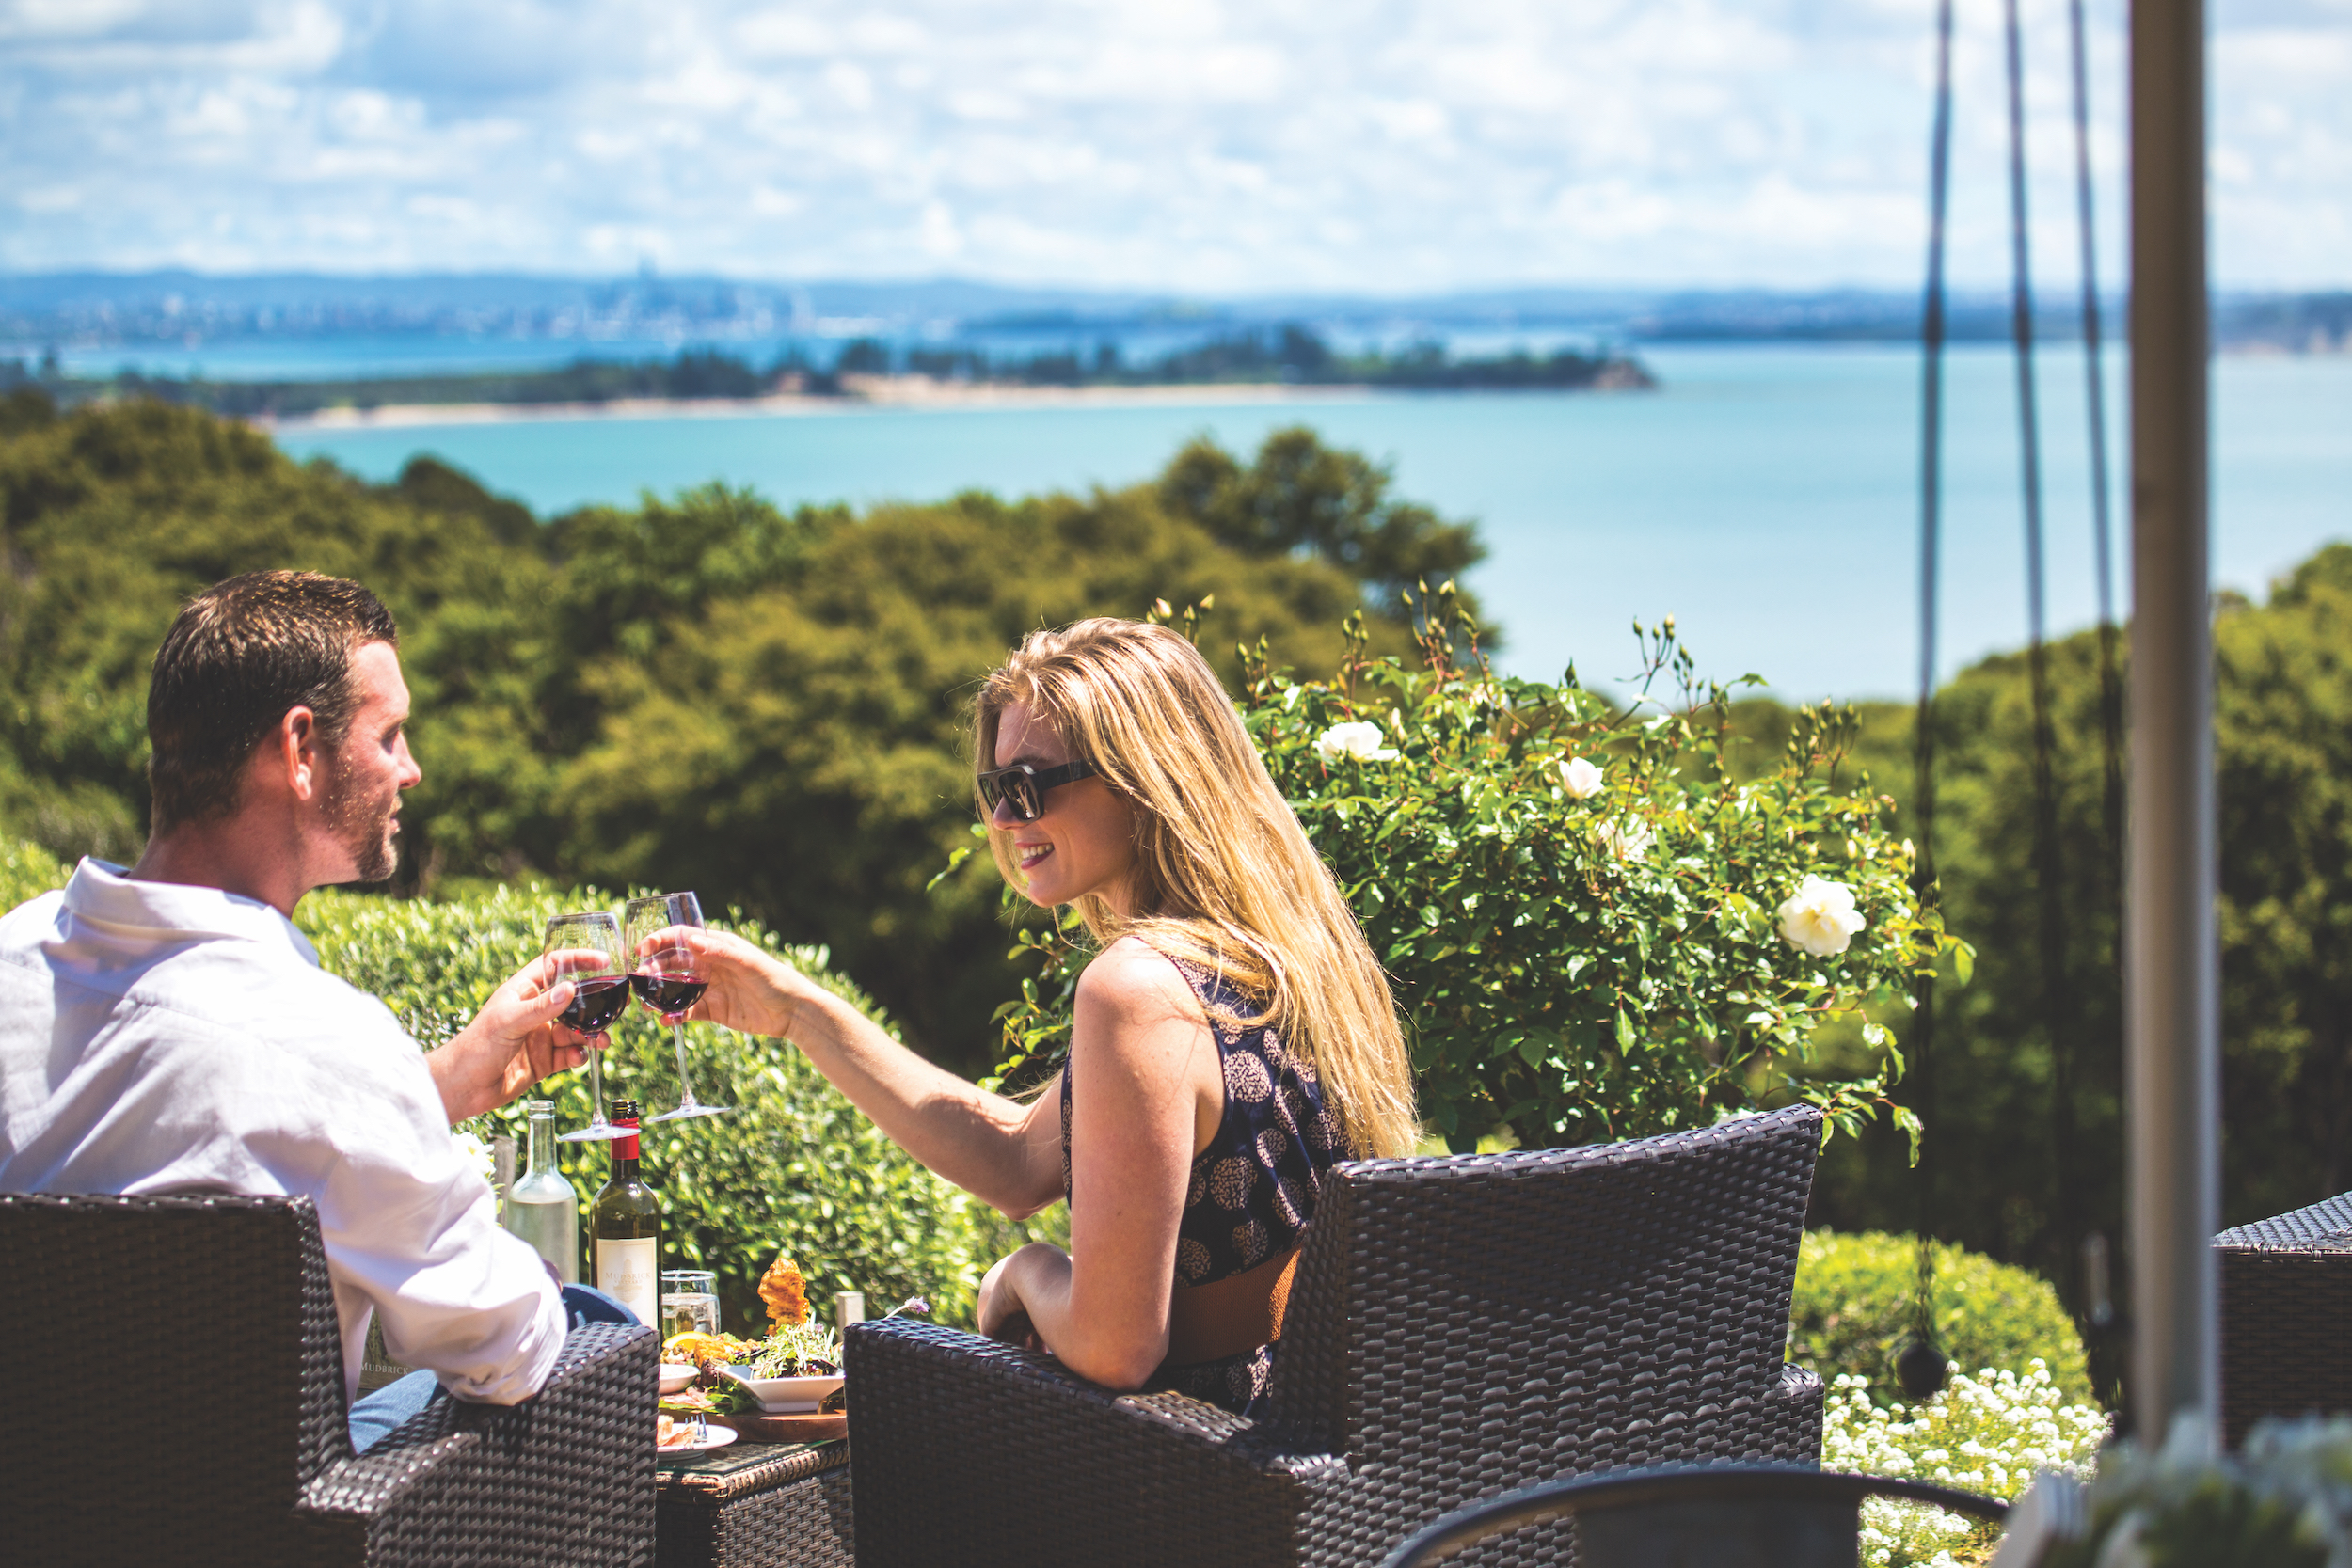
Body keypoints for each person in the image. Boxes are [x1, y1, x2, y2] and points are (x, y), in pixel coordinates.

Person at [670, 617, 1418, 1412]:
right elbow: (1018, 1161)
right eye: (995, 789)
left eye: (1026, 785)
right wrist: (796, 1011)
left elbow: (1115, 1345)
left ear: (1143, 775)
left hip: (1214, 1479)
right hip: (1343, 1440)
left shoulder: (1138, 989)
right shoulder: (1280, 958)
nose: (1002, 820)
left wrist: (1026, 1269)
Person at [0, 570, 625, 1453]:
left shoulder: (15, 962)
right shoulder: (325, 1042)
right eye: (391, 734)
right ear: (300, 748)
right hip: (268, 1527)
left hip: (37, 1514)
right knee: (590, 1321)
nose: (412, 769)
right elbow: (504, 1345)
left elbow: (197, 1120)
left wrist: (431, 1089)